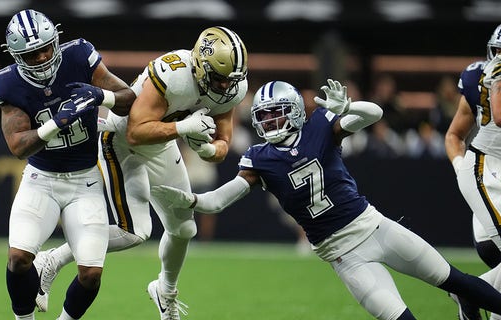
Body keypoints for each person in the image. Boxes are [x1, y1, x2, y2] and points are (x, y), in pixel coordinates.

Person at [150, 79, 501, 320]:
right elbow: (216, 202)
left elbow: (373, 115)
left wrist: (348, 107)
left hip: (375, 227)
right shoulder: (261, 159)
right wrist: (186, 200)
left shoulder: (320, 127)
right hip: (344, 256)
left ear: (295, 111)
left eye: (277, 113)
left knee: (452, 279)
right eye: (265, 116)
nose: (271, 122)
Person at [33, 26, 248, 320]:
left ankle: (165, 291)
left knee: (184, 229)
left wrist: (209, 151)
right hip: (121, 142)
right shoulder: (173, 74)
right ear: (200, 65)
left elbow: (223, 140)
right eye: (220, 79)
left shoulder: (231, 88)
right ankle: (52, 260)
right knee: (134, 231)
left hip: (161, 144)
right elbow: (135, 132)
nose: (225, 87)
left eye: (231, 81)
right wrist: (183, 129)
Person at [0, 9, 135, 320]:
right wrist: (55, 123)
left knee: (91, 274)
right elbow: (17, 146)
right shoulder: (7, 84)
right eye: (31, 54)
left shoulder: (79, 56)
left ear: (56, 40)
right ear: (15, 56)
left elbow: (129, 97)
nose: (41, 58)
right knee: (18, 259)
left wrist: (100, 95)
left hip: (85, 181)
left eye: (45, 48)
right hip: (42, 178)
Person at [445, 24, 501, 320]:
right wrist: (460, 168)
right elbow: (454, 135)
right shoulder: (481, 79)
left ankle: (469, 290)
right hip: (491, 180)